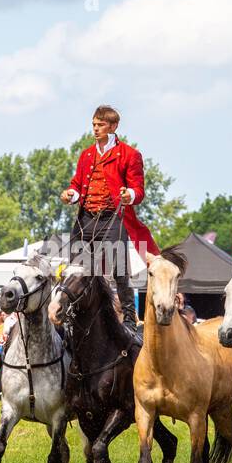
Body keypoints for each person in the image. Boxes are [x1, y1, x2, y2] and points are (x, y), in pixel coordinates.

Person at [60, 105, 159, 326]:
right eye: (94, 124)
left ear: (113, 126)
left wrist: (129, 195)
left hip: (112, 217)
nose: (95, 129)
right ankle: (74, 314)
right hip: (86, 217)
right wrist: (71, 194)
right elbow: (78, 184)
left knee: (119, 267)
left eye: (101, 125)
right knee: (76, 266)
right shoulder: (86, 155)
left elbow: (138, 190)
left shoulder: (130, 155)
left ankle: (130, 317)